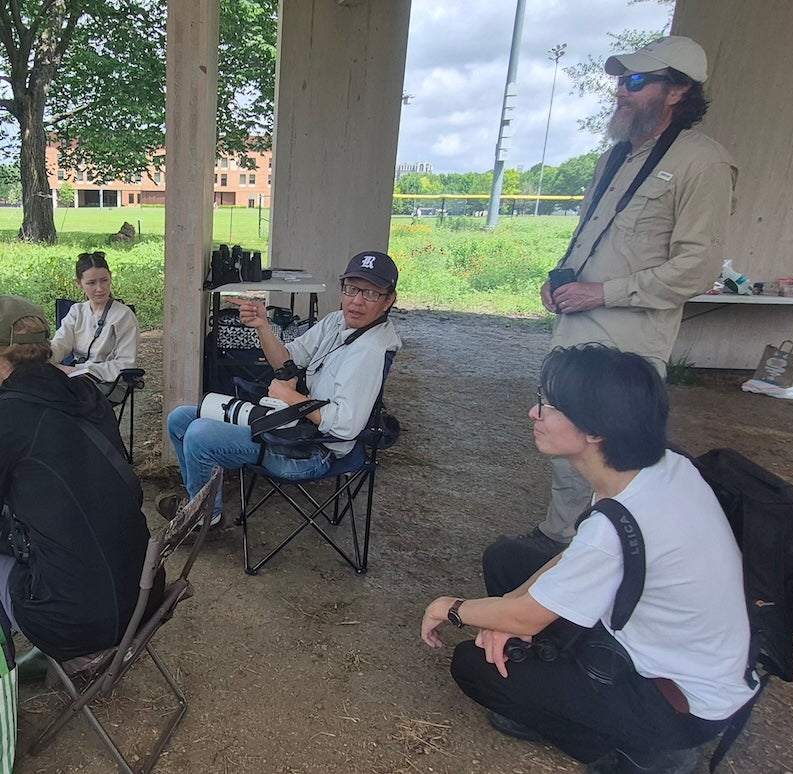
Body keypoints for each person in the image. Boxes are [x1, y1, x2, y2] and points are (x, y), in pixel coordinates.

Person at [421, 345, 756, 774]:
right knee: (506, 561)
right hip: (679, 650)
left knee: (473, 666)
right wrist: (507, 607)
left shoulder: (618, 524)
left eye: (549, 405)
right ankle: (549, 674)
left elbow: (540, 601)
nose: (533, 412)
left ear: (596, 429)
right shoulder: (658, 467)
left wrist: (450, 608)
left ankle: (648, 754)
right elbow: (576, 555)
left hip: (678, 702)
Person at [529, 35, 737, 555]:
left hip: (628, 344)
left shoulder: (702, 163)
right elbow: (592, 238)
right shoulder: (615, 158)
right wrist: (561, 279)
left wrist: (604, 292)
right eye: (621, 80)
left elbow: (696, 267)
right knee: (562, 442)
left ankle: (606, 555)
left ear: (678, 91)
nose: (622, 90)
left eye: (637, 80)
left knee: (614, 458)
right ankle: (559, 539)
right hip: (574, 333)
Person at [162, 250, 401, 528]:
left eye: (371, 293)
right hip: (289, 424)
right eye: (352, 289)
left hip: (311, 452)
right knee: (180, 419)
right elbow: (286, 360)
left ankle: (205, 520)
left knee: (200, 435)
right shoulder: (336, 322)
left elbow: (344, 427)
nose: (357, 301)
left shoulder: (371, 350)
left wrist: (292, 397)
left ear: (388, 301)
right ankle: (200, 506)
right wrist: (263, 326)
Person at [0, 295, 160, 662]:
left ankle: (5, 677)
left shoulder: (9, 416)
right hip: (143, 596)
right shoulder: (84, 392)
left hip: (74, 622)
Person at [50, 251, 139, 385]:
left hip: (110, 384)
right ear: (79, 283)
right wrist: (44, 357)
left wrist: (79, 370)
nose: (99, 288)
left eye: (104, 280)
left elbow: (125, 365)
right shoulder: (76, 311)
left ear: (110, 277)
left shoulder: (123, 315)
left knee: (59, 397)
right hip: (76, 378)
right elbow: (60, 344)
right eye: (91, 283)